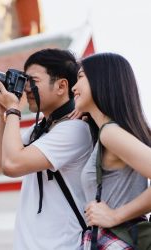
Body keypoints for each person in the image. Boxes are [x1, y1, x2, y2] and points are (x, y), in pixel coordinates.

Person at [0, 48, 93, 249]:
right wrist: (3, 115)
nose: (26, 89)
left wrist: (13, 110)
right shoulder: (42, 129)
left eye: (33, 81)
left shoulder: (75, 130)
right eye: (24, 80)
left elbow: (12, 165)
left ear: (62, 86)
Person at [72, 52, 151, 248]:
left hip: (117, 239)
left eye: (80, 77)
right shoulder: (110, 133)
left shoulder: (110, 133)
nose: (74, 87)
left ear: (101, 81)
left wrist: (115, 216)